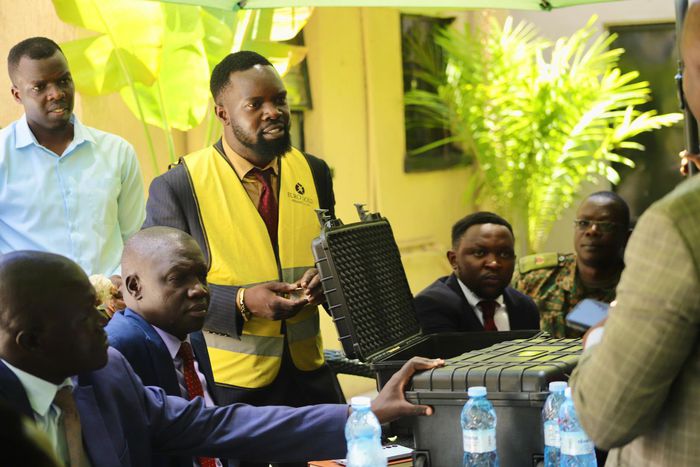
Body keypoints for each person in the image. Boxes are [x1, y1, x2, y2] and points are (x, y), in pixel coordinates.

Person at [0, 250, 443, 467]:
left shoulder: (107, 373)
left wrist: (365, 413)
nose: (106, 318)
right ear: (31, 341)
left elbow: (214, 424)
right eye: (87, 315)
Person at [143, 50, 342, 459]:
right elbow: (160, 292)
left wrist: (328, 279)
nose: (273, 112)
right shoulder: (179, 186)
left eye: (279, 100)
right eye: (255, 104)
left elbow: (333, 254)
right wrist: (241, 301)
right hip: (230, 387)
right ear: (222, 113)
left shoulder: (315, 171)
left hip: (309, 374)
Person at [569, 5, 700, 465]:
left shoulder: (681, 225)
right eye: (584, 224)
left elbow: (605, 416)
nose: (592, 233)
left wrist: (599, 339)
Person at [0, 37, 145, 282]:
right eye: (40, 87)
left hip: (112, 301)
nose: (56, 93)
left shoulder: (117, 152)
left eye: (63, 81)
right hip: (29, 302)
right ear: (17, 95)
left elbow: (136, 237)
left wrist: (121, 282)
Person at [105, 227, 221, 467]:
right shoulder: (117, 349)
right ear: (134, 286)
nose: (199, 289)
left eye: (202, 276)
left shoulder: (191, 335)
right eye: (178, 278)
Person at [512, 191, 630, 337]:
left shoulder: (639, 288)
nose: (592, 231)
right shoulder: (534, 278)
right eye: (583, 223)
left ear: (627, 236)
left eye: (605, 225)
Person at [414, 212, 539, 333]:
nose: (494, 263)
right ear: (454, 260)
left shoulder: (524, 307)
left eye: (504, 254)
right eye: (480, 253)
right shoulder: (433, 305)